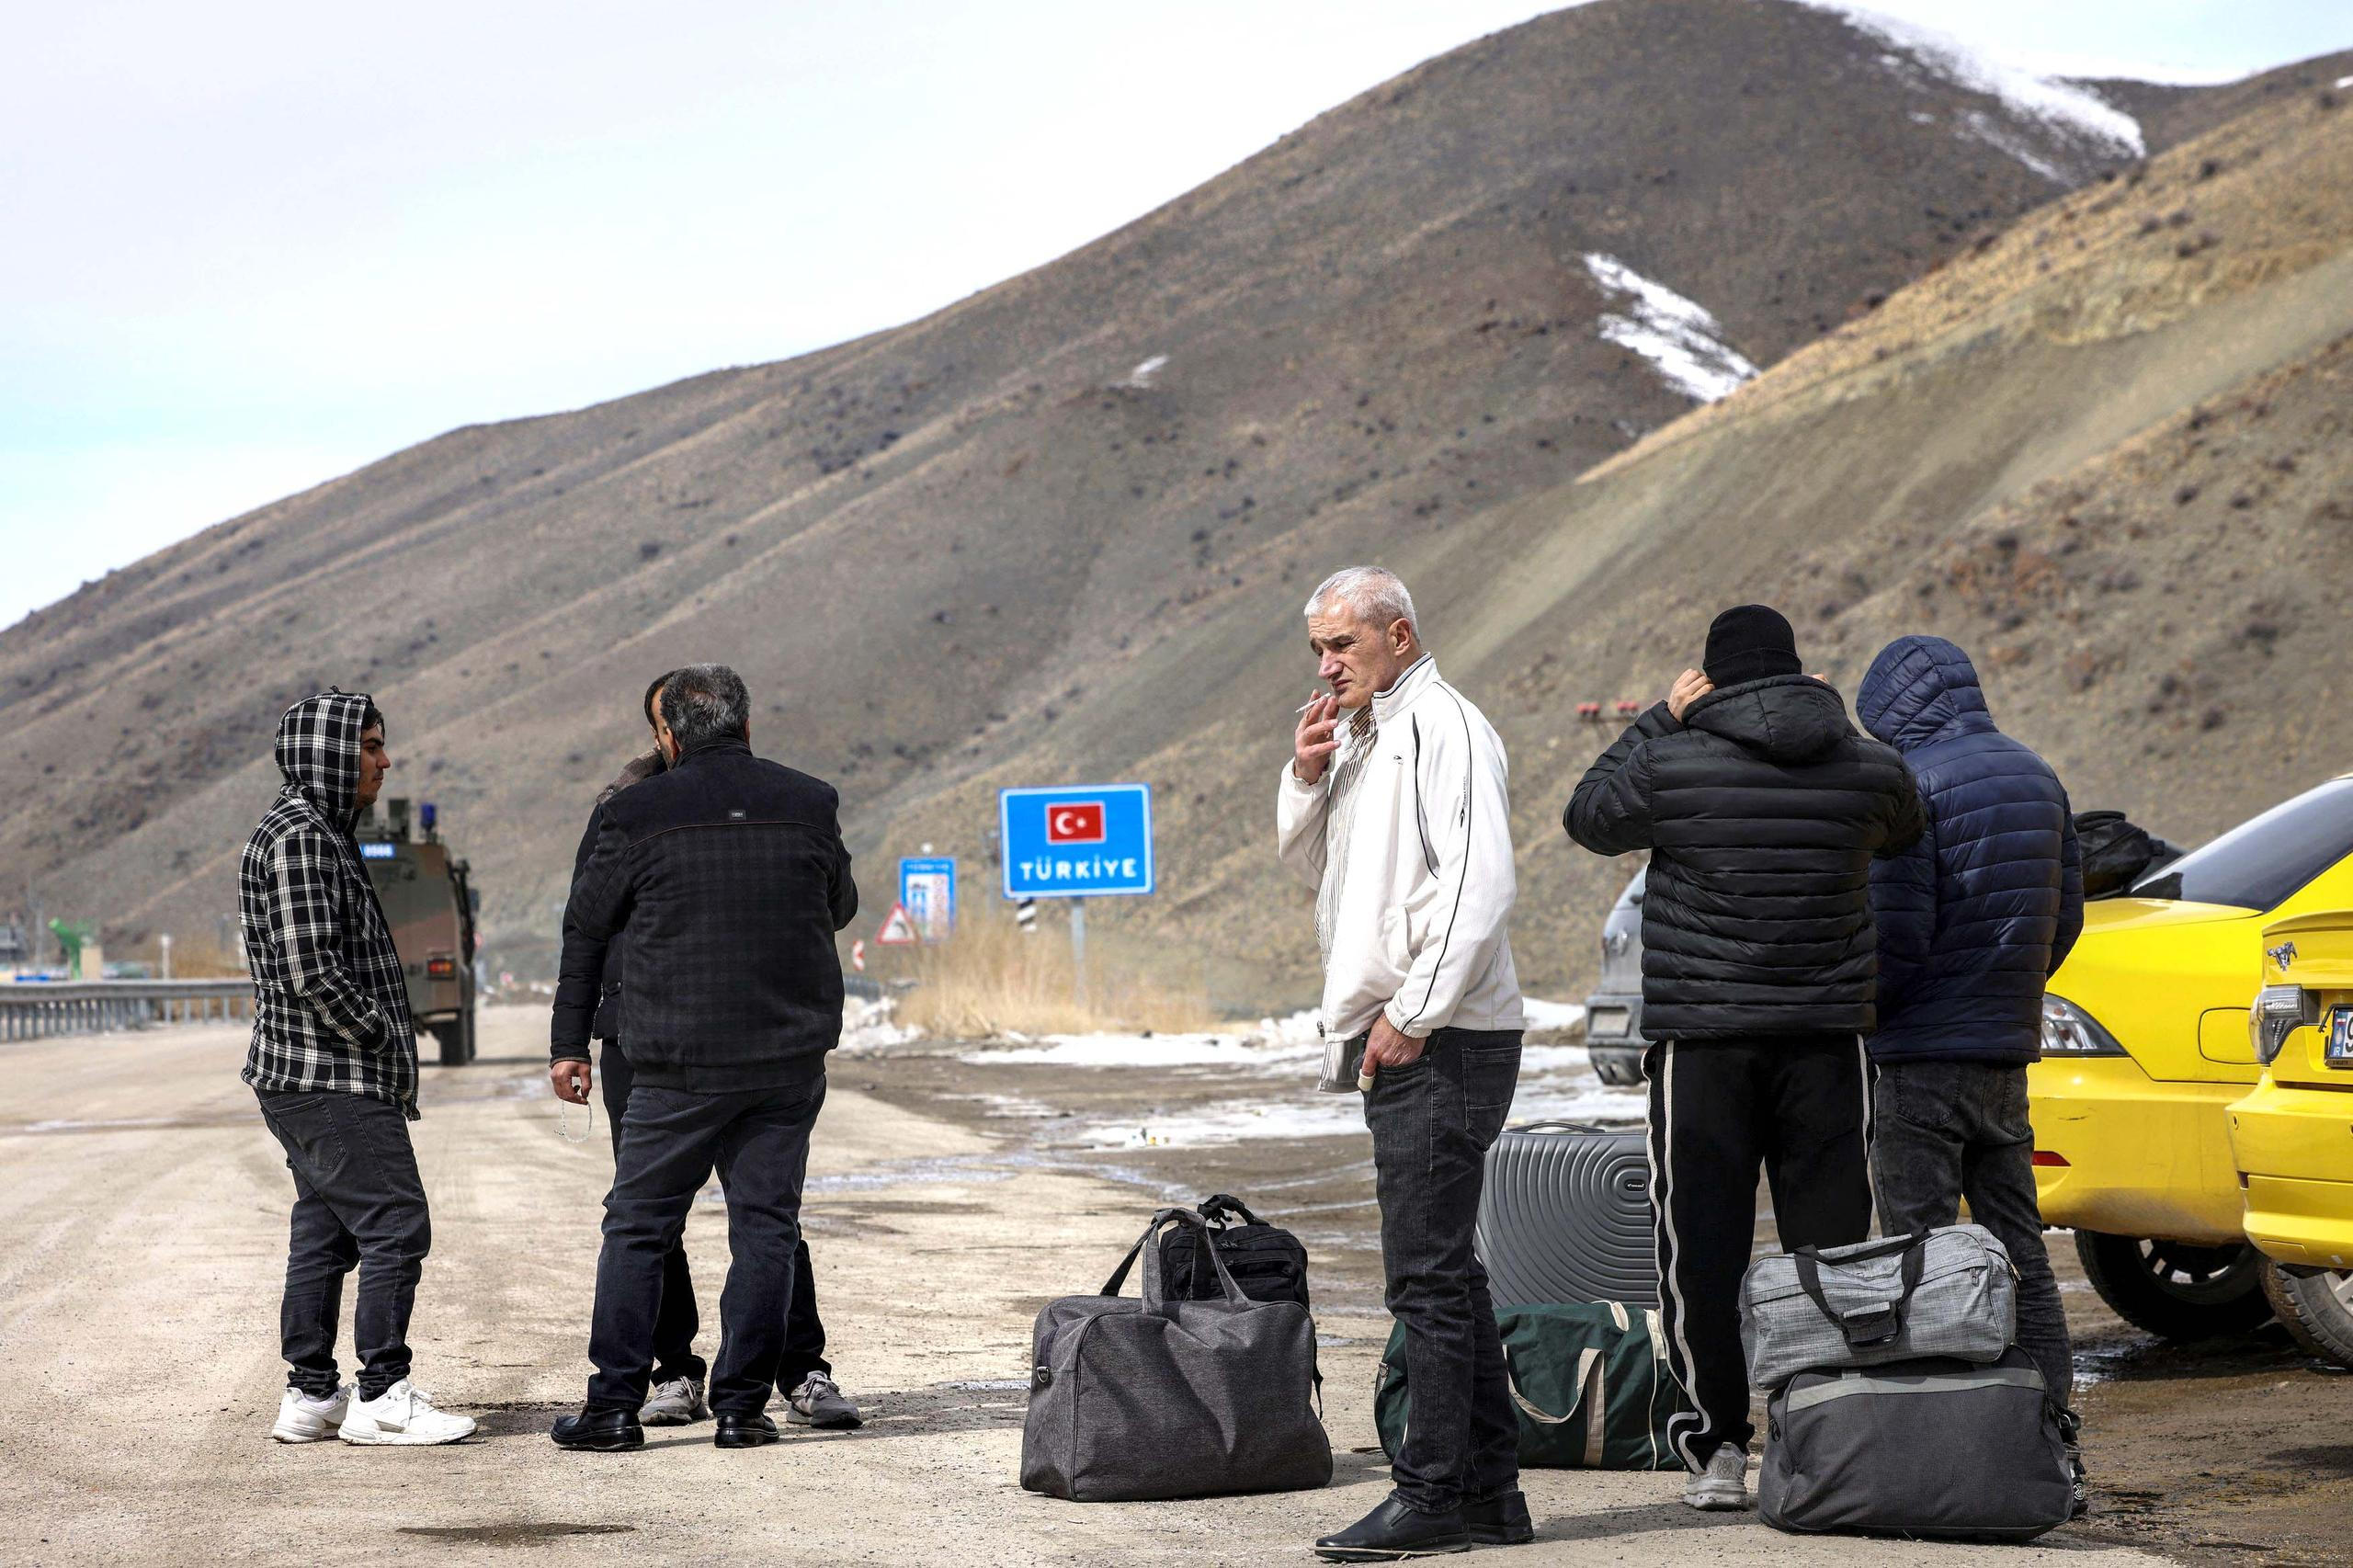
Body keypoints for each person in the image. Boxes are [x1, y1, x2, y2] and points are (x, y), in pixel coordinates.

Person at [1563, 605, 1923, 1511]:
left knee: (1700, 1250)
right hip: (1827, 1045)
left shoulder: (1671, 762)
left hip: (1703, 1047)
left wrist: (1659, 716)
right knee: (1833, 1250)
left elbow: (1589, 816)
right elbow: (1906, 826)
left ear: (1710, 680)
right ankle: (1822, 1435)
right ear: (1799, 670)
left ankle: (1716, 1446)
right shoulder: (1869, 767)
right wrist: (1829, 724)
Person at [1277, 567, 1532, 1561]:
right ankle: (1489, 1496)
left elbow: (1481, 883)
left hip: (1444, 1037)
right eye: (1317, 649)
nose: (1327, 665)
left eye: (1342, 644)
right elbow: (1332, 882)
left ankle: (1428, 1495)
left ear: (1399, 635)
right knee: (1448, 1274)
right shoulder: (1370, 735)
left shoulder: (1443, 727)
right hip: (1412, 1030)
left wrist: (1415, 1012)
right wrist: (1308, 777)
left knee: (1424, 1279)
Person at [549, 664, 858, 1451]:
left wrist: (569, 1038)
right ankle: (743, 1412)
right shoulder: (809, 800)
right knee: (766, 1228)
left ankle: (613, 1410)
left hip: (674, 1063)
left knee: (639, 1228)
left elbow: (588, 924)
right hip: (785, 1061)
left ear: (671, 737)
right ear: (745, 726)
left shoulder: (635, 812)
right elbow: (840, 904)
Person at [1855, 633, 2085, 1508]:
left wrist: (1872, 1012)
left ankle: (1939, 1458)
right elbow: (2066, 916)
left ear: (1896, 711)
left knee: (1917, 1256)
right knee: (2021, 1250)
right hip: (2004, 1052)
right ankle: (2053, 1448)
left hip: (1920, 1056)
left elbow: (1898, 937)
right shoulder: (2037, 773)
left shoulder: (1914, 786)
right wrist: (2009, 994)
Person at [240, 689, 476, 1446]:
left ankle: (312, 1395)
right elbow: (311, 969)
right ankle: (382, 1396)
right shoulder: (302, 838)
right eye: (370, 746)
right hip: (330, 1075)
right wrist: (377, 1032)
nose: (385, 761)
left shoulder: (318, 830)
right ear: (331, 755)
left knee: (326, 1229)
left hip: (311, 1076)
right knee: (396, 1222)